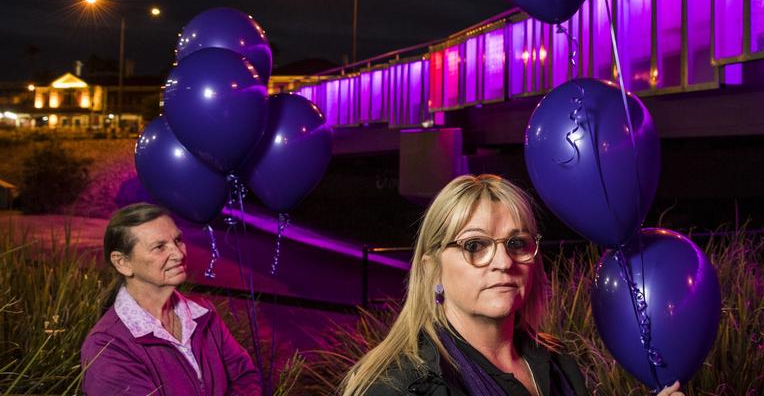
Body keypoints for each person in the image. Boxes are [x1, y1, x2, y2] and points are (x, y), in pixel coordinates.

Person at [342, 174, 685, 396]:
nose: (503, 263)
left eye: (516, 244)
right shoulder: (400, 386)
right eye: (475, 246)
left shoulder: (558, 366)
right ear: (432, 270)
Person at [80, 203, 261, 395]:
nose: (178, 253)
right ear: (122, 263)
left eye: (178, 240)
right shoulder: (108, 346)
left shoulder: (203, 314)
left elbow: (244, 377)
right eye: (159, 247)